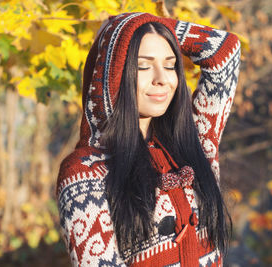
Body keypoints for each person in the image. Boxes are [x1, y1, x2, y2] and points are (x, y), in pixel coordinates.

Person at [57, 12, 241, 266]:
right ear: (115, 73)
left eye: (170, 65)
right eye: (143, 66)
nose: (162, 79)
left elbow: (225, 50)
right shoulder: (85, 172)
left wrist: (139, 24)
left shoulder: (195, 142)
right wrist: (121, 34)